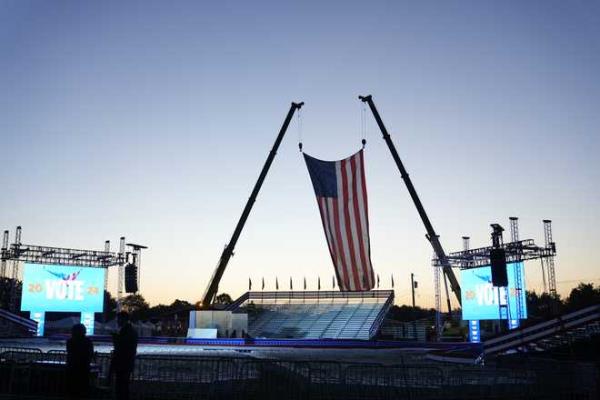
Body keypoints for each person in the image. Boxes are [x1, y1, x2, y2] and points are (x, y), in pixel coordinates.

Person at [110, 311, 138, 400]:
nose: (117, 321)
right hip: (126, 363)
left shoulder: (127, 331)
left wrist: (115, 338)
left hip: (123, 363)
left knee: (121, 387)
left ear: (124, 319)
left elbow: (123, 346)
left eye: (118, 319)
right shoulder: (129, 330)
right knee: (123, 387)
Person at [66, 323, 94, 399]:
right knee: (83, 389)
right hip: (84, 367)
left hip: (73, 367)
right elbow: (90, 353)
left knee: (73, 389)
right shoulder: (88, 341)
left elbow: (70, 353)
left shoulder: (70, 341)